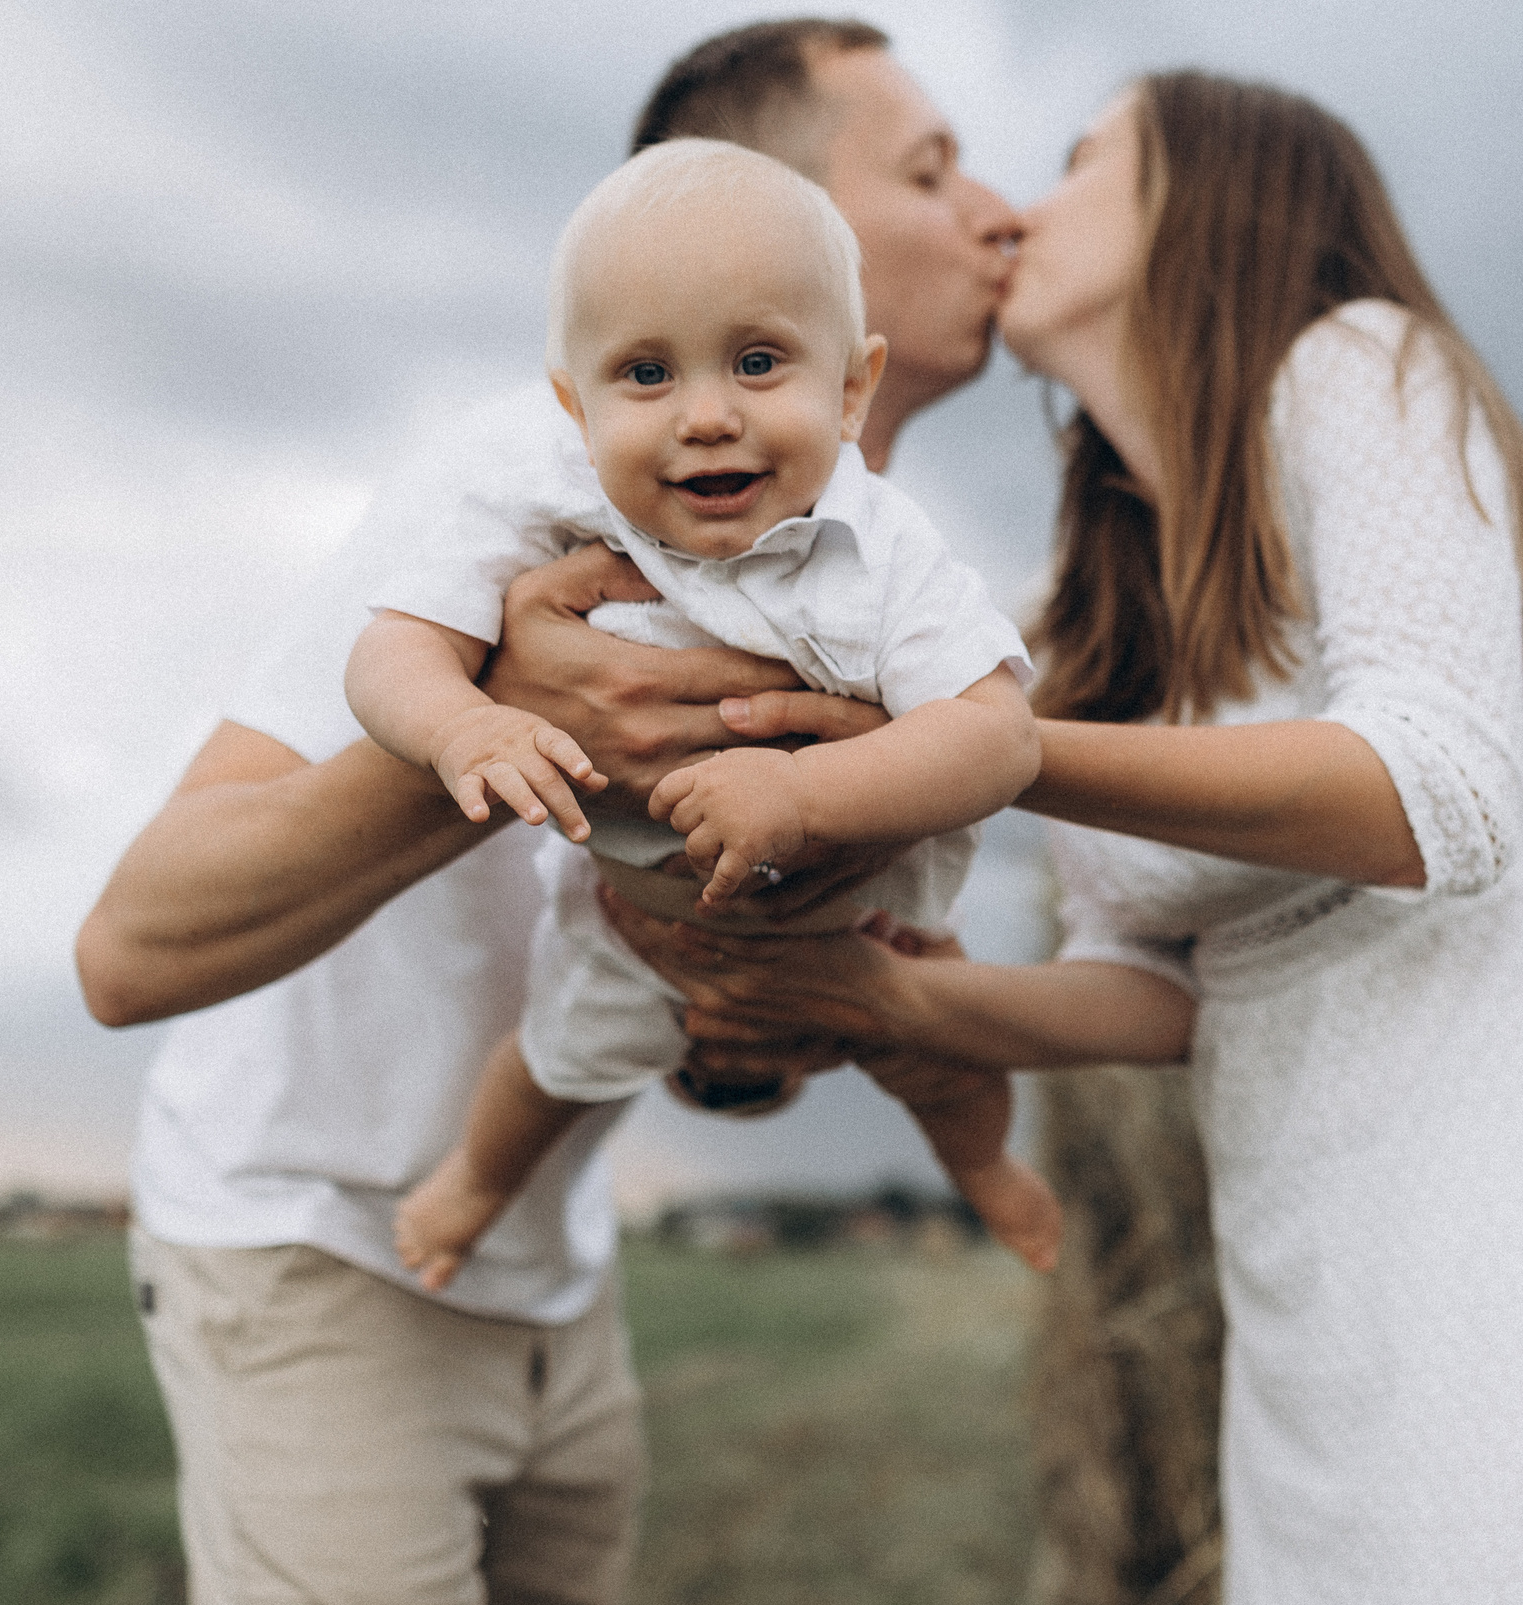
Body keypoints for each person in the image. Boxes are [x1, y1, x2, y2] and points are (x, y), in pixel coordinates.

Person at [602, 72, 1523, 1605]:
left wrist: (999, 753)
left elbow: (1437, 789)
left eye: (1083, 157)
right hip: (1316, 1252)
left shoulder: (1361, 363)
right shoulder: (1081, 600)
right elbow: (1160, 988)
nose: (1024, 204)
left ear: (1217, 195)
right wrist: (891, 997)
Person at [73, 19, 1023, 1605]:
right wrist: (501, 713)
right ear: (752, 206)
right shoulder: (512, 480)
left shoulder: (856, 547)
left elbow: (699, 1000)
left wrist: (769, 1019)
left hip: (549, 1260)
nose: (1003, 216)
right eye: (938, 172)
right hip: (317, 1242)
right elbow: (127, 950)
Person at [349, 140, 1056, 1285]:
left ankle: (985, 1177)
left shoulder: (881, 553)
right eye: (645, 375)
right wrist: (458, 724)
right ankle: (474, 1189)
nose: (707, 416)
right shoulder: (551, 508)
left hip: (868, 922)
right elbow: (391, 649)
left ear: (852, 388)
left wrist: (804, 792)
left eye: (759, 361)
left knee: (951, 1070)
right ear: (573, 409)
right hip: (643, 924)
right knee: (546, 1067)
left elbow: (997, 735)